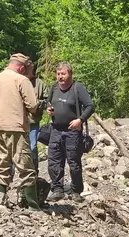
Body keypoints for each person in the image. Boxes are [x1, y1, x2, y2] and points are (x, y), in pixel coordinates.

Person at [0, 53, 41, 209]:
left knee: (2, 162)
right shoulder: (21, 80)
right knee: (25, 165)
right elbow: (32, 105)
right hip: (16, 127)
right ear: (22, 67)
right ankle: (33, 204)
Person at [47, 61, 95, 202]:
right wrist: (49, 110)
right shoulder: (54, 88)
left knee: (73, 162)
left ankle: (75, 190)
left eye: (63, 74)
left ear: (70, 74)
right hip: (55, 130)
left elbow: (90, 106)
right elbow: (49, 103)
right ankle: (57, 189)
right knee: (54, 161)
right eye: (58, 74)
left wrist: (80, 120)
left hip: (72, 132)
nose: (60, 77)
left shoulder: (77, 88)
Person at [26, 59, 50, 173]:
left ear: (32, 68)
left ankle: (34, 171)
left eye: (28, 68)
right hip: (18, 122)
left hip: (33, 121)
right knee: (15, 149)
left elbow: (47, 101)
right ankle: (11, 175)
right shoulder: (17, 81)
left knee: (32, 147)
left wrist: (37, 104)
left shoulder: (39, 83)